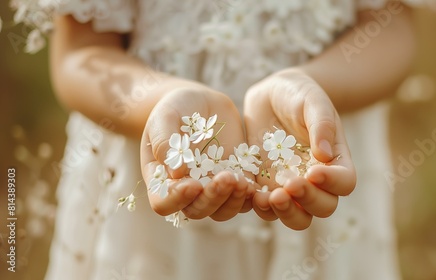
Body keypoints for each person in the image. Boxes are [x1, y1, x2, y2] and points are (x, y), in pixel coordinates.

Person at [15, 0, 415, 279]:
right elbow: (81, 53)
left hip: (308, 151)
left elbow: (391, 25)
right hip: (165, 159)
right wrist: (161, 103)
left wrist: (313, 86)